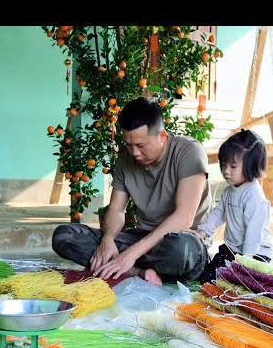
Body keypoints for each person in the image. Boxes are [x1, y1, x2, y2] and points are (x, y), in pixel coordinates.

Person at [52, 96, 212, 285]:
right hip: (142, 237)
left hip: (180, 239)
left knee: (180, 251)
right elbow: (117, 210)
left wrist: (131, 253)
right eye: (128, 144)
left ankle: (127, 265)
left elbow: (184, 216)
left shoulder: (189, 151)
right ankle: (137, 272)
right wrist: (108, 240)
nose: (134, 152)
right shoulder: (125, 157)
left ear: (162, 136)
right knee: (64, 235)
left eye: (141, 145)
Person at [193, 129, 273, 283]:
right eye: (223, 165)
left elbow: (254, 232)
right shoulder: (230, 190)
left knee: (245, 286)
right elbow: (219, 213)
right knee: (208, 279)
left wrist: (246, 262)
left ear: (252, 166)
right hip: (231, 250)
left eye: (233, 166)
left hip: (255, 254)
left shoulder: (254, 196)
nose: (226, 171)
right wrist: (203, 231)